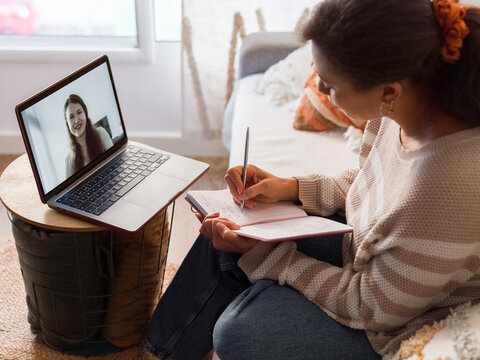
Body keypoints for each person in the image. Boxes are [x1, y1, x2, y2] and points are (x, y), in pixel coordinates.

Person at [145, 0, 480, 359]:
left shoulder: (441, 193)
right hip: (367, 261)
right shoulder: (397, 115)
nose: (318, 88)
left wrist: (273, 259)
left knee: (237, 331)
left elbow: (371, 308)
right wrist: (290, 188)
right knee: (234, 228)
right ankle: (156, 351)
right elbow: (374, 183)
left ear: (388, 91)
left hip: (392, 324)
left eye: (330, 83)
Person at [64, 94, 113, 177]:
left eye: (79, 112)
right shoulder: (69, 161)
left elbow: (114, 163)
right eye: (71, 117)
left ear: (85, 114)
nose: (76, 120)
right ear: (67, 124)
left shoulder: (101, 133)